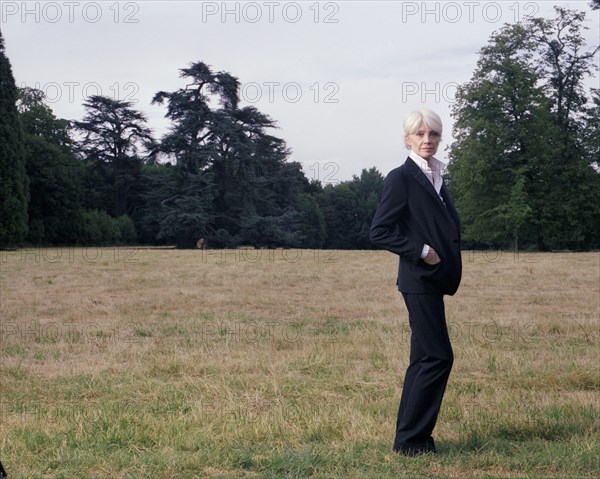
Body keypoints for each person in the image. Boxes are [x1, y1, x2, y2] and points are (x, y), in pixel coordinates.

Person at [370, 108, 462, 455]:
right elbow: (380, 231)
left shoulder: (437, 175)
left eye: (433, 134)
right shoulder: (401, 177)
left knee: (424, 357)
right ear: (407, 138)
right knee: (438, 357)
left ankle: (409, 441)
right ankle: (413, 440)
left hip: (434, 280)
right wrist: (422, 251)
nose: (427, 140)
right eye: (420, 134)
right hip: (418, 279)